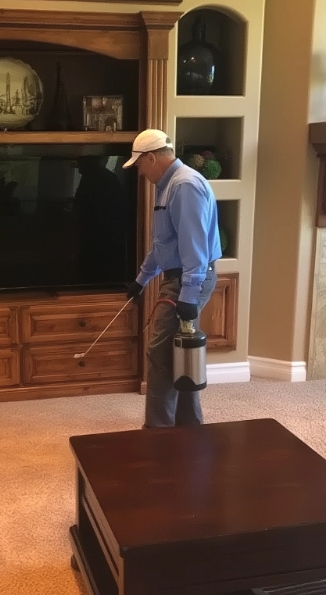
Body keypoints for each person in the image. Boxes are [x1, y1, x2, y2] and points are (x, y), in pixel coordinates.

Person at [122, 129, 221, 428]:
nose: (140, 173)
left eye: (139, 165)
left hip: (190, 279)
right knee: (178, 352)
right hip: (178, 278)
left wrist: (188, 297)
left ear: (151, 158)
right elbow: (163, 243)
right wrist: (141, 279)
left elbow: (195, 248)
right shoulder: (166, 186)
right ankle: (188, 427)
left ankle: (158, 434)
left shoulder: (185, 186)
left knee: (160, 354)